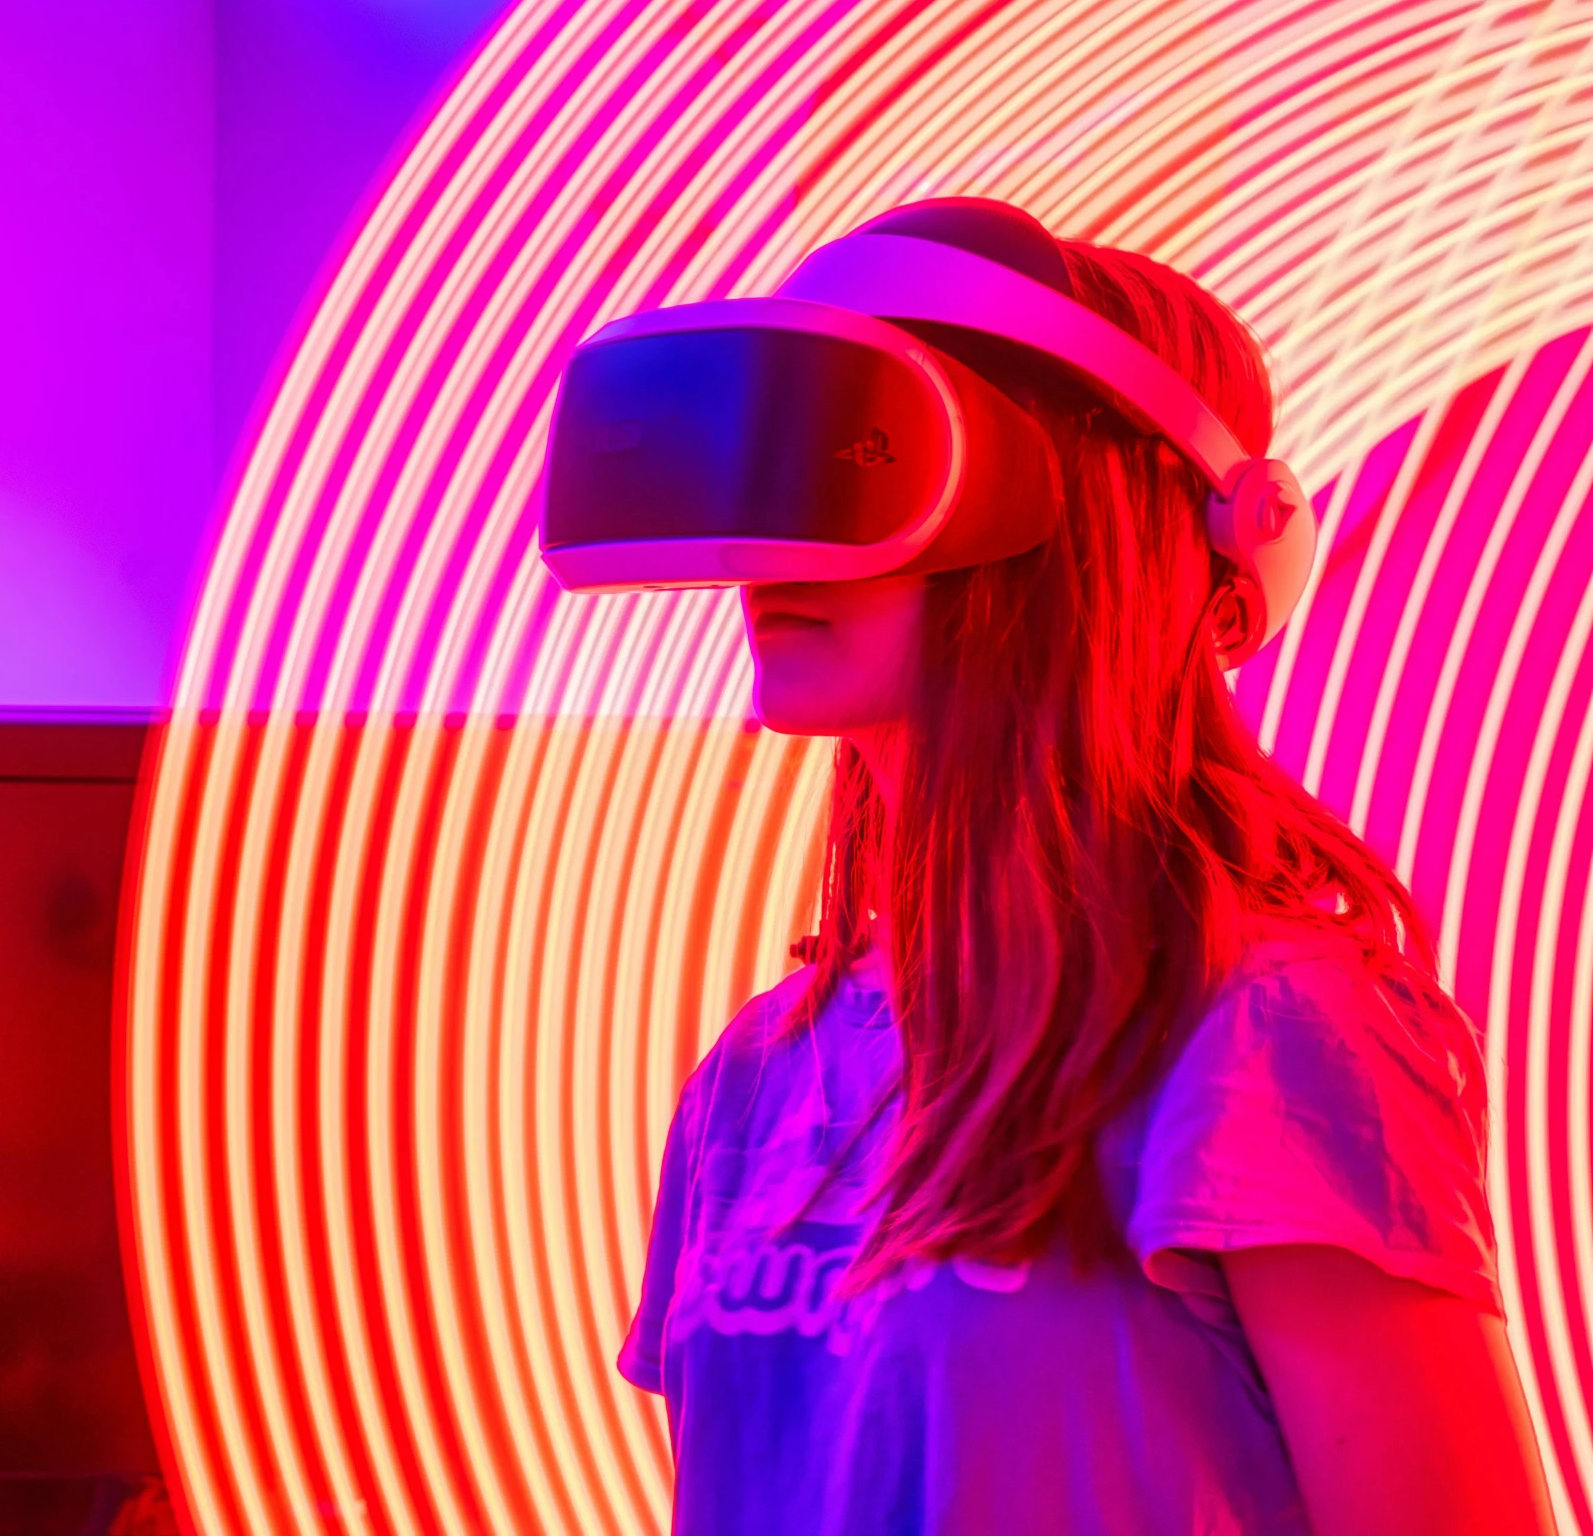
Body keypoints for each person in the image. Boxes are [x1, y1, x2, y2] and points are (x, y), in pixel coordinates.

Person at [614, 208, 1558, 1534]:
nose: (778, 544)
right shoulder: (754, 1077)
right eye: (776, 467)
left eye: (862, 458)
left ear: (1088, 521)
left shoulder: (1264, 1026)